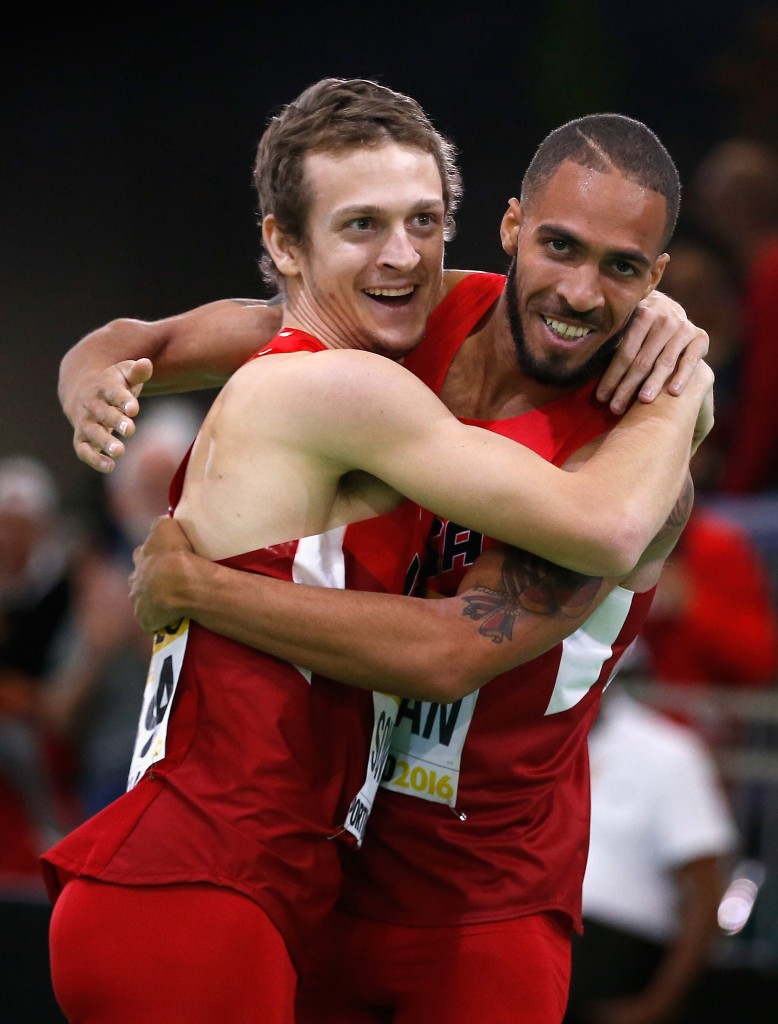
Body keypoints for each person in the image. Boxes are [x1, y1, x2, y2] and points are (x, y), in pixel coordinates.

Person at [57, 87, 712, 1023]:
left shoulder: (633, 464)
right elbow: (140, 343)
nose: (577, 292)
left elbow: (453, 650)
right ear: (512, 226)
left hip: (481, 906)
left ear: (657, 279)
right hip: (305, 876)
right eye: (559, 247)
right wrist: (92, 382)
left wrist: (687, 392)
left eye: (622, 269)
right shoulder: (391, 328)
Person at [564, 687, 739, 1024]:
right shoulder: (511, 737)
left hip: (608, 968)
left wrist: (658, 1006)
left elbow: (704, 895)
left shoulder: (667, 752)